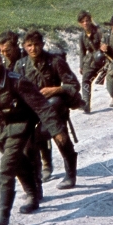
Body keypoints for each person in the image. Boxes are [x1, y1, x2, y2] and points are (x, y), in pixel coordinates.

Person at [0, 42, 68, 225]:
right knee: (19, 163)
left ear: (0, 60)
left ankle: (3, 214)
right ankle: (33, 193)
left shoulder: (16, 81)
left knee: (6, 168)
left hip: (18, 128)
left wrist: (57, 131)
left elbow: (42, 106)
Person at [15, 30, 81, 189]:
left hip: (55, 110)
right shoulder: (21, 65)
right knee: (30, 144)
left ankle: (70, 175)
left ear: (43, 45)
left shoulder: (55, 61)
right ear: (24, 47)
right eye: (29, 45)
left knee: (61, 139)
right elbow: (15, 89)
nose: (33, 48)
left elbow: (73, 85)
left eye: (36, 45)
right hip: (33, 111)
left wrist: (56, 90)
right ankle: (37, 182)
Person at [77, 10, 105, 114]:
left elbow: (106, 43)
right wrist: (81, 65)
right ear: (80, 23)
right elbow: (82, 51)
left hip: (103, 59)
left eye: (87, 20)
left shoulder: (98, 32)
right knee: (86, 80)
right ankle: (86, 104)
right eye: (83, 21)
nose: (85, 23)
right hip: (90, 60)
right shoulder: (82, 36)